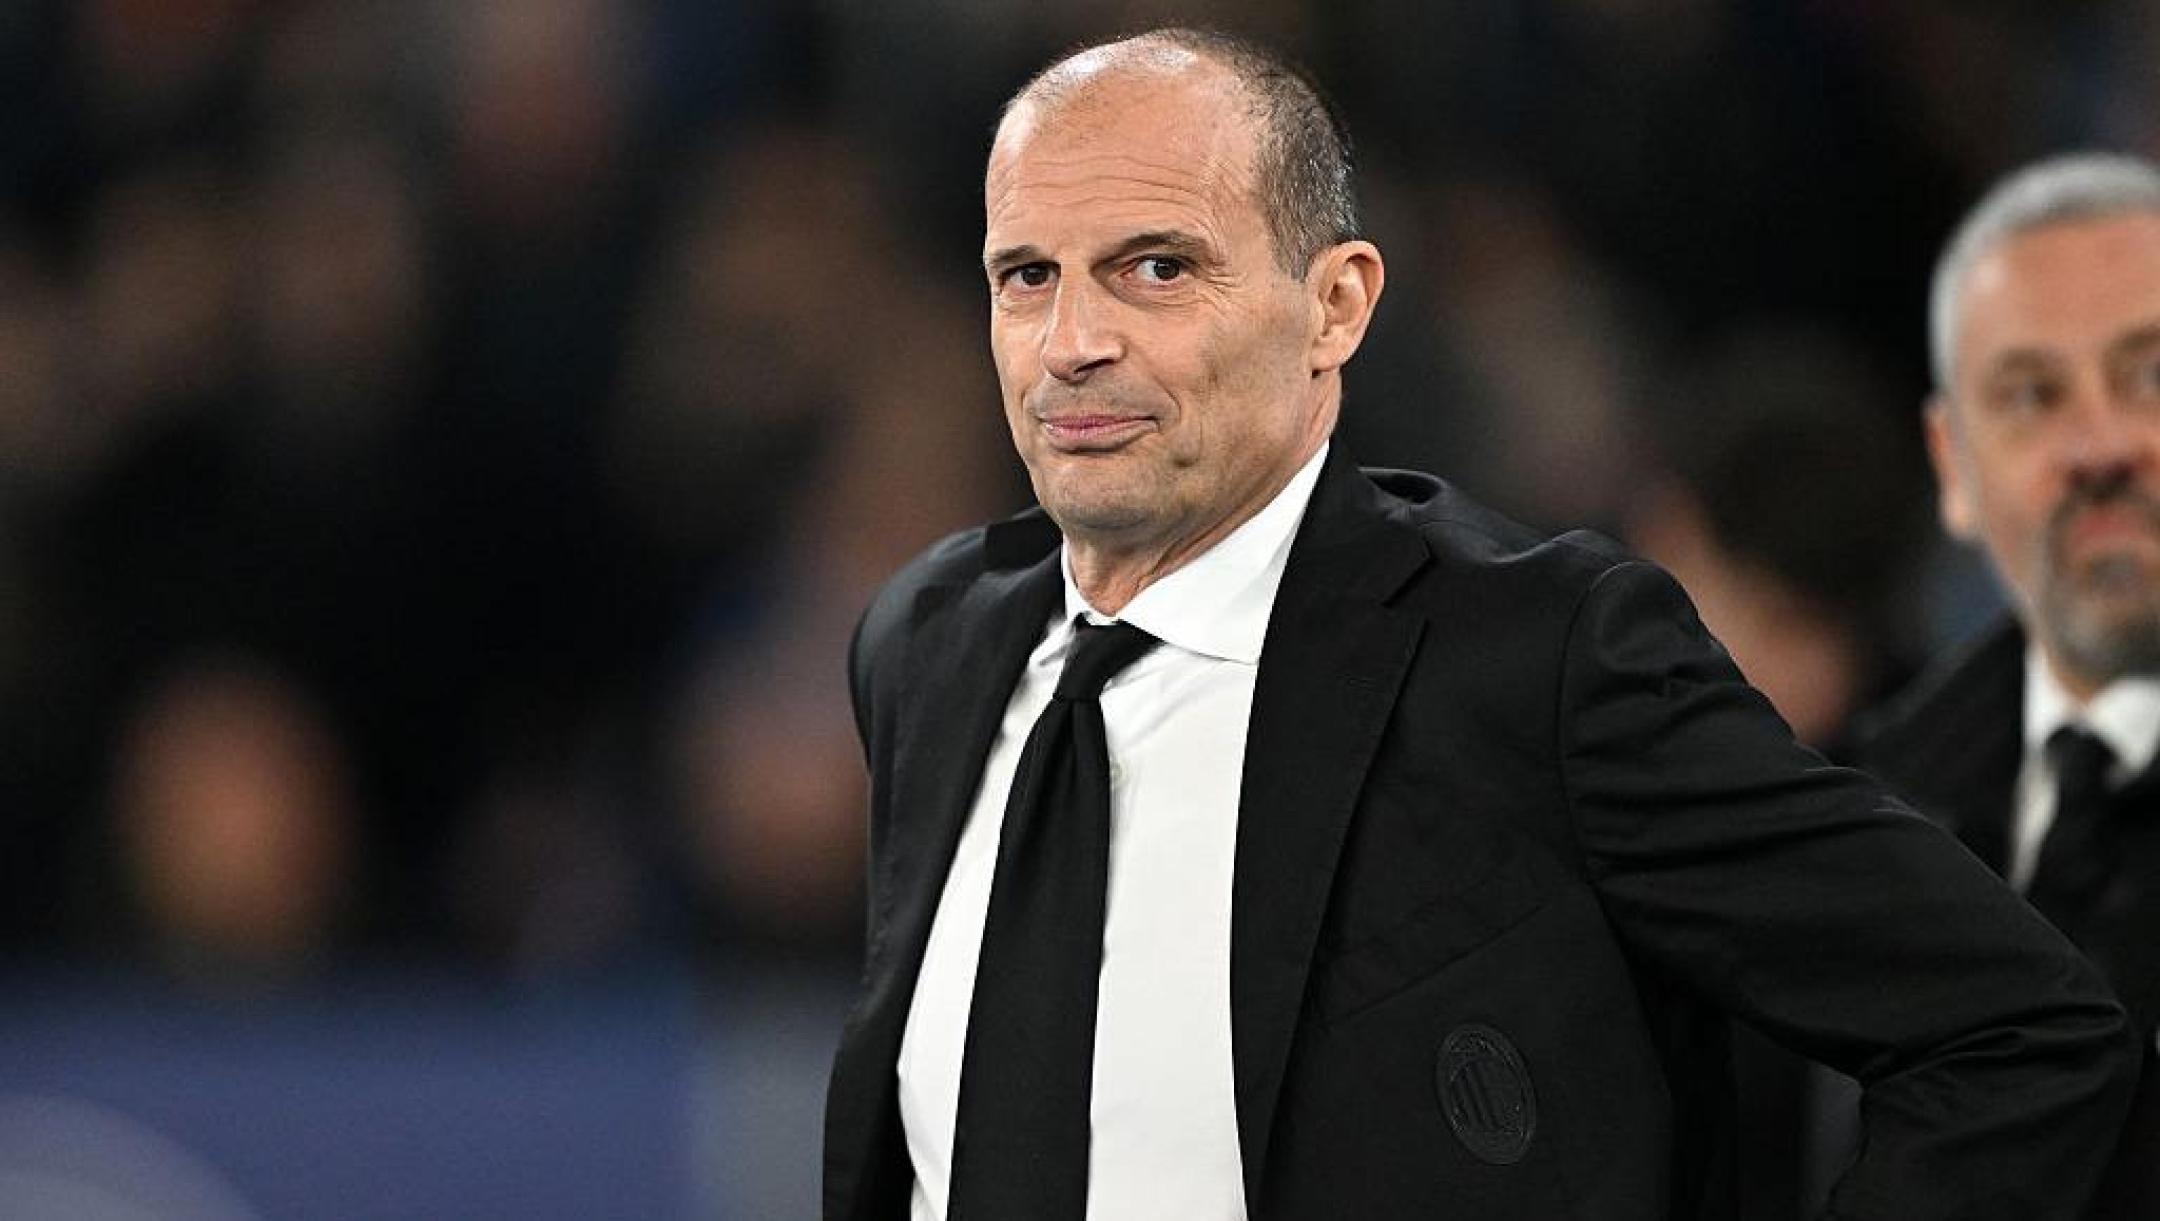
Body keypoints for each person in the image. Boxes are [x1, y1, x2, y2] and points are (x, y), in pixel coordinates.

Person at [823, 29, 2137, 1221]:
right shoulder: (930, 647)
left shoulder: (1537, 659)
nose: (1071, 340)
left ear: (1334, 304)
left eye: (1155, 268)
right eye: (1025, 276)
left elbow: (2016, 1028)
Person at [1861, 150, 2160, 1218]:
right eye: (2032, 395)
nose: (2100, 446)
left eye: (2151, 375)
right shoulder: (1862, 815)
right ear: (1953, 466)